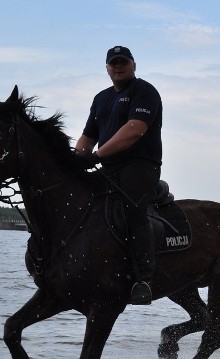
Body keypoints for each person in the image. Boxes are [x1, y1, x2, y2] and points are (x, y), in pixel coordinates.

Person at [75, 45, 162, 305]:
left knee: (132, 210)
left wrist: (98, 156)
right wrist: (75, 159)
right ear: (107, 68)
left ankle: (143, 279)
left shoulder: (144, 91)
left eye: (123, 62)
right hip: (108, 167)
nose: (118, 67)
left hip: (139, 165)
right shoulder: (101, 98)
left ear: (134, 65)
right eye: (114, 63)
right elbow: (87, 137)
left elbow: (135, 129)